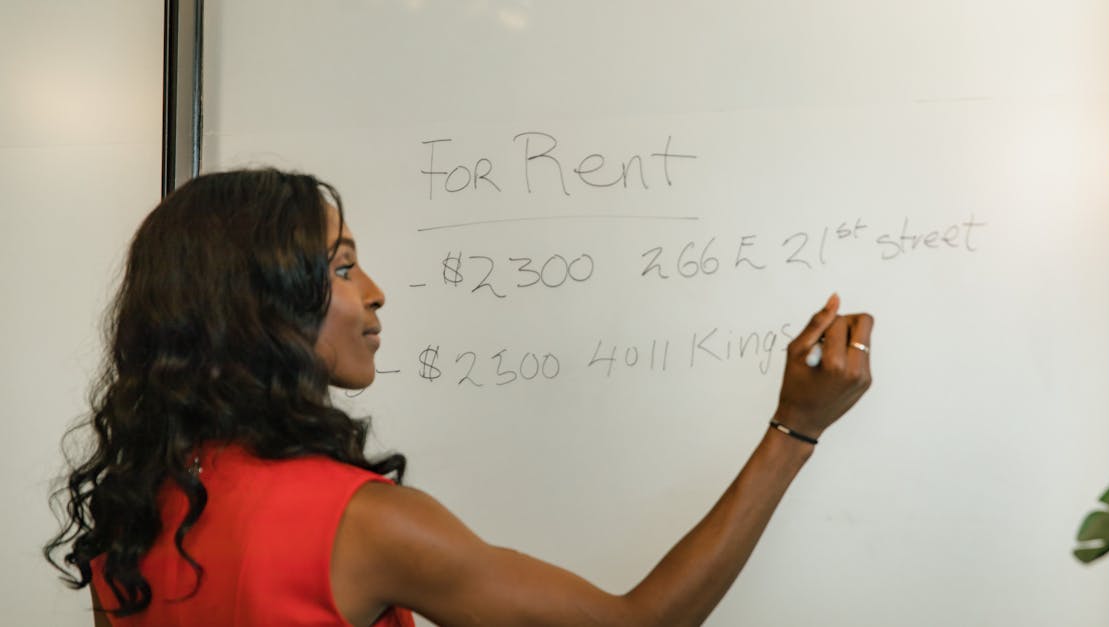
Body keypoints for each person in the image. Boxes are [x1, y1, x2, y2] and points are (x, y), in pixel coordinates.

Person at [45, 168, 874, 627]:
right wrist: (794, 428)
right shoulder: (361, 523)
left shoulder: (131, 522)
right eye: (342, 266)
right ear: (265, 307)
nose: (374, 291)